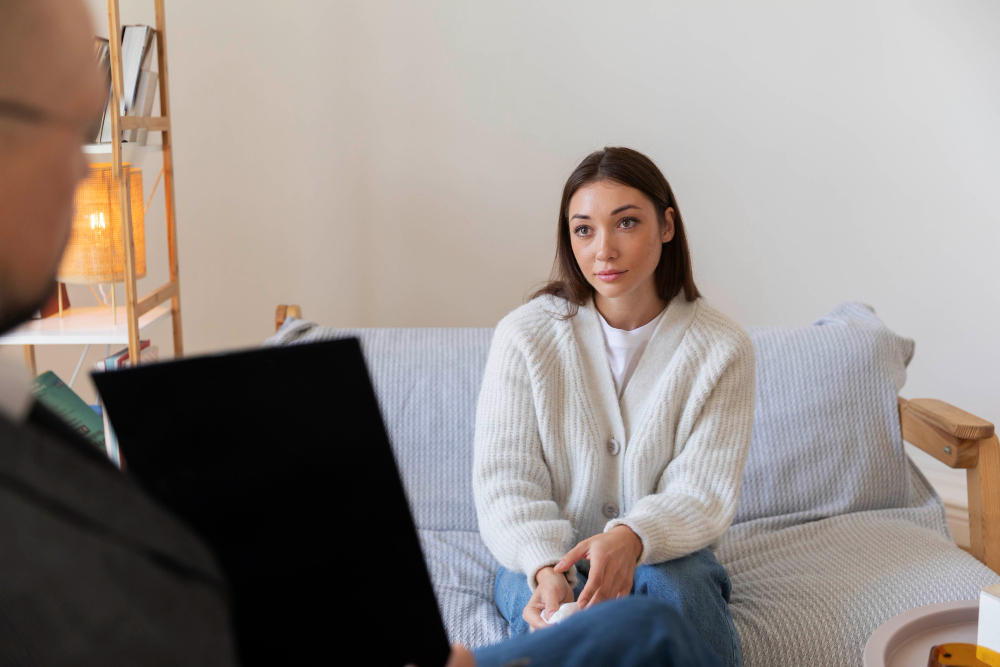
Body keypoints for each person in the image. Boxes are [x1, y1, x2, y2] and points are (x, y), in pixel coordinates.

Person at [473, 147, 756, 667]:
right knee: (555, 623)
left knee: (679, 595)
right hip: (540, 557)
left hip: (670, 555)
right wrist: (546, 569)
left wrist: (632, 538)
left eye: (625, 223)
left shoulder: (722, 348)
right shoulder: (525, 336)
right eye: (584, 229)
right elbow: (505, 482)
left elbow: (703, 490)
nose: (603, 249)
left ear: (667, 225)